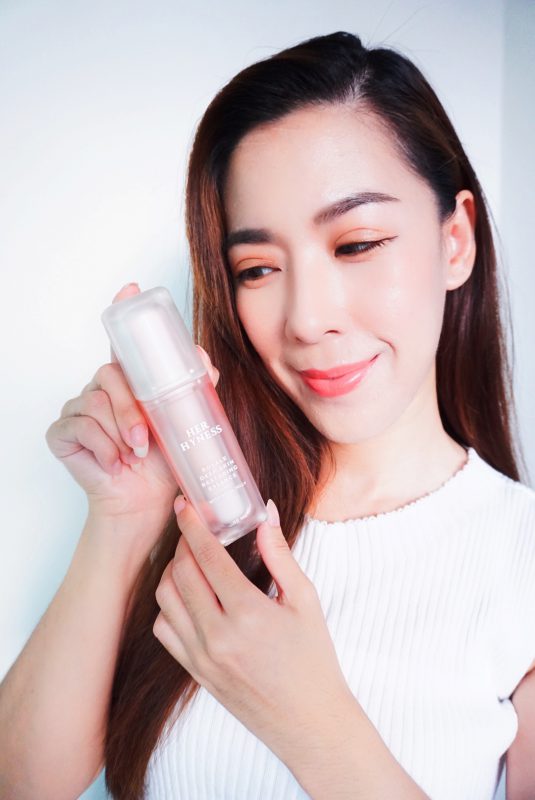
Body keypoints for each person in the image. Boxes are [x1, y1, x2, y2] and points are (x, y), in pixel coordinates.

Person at [1, 30, 534, 800]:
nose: (306, 319)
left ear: (455, 242)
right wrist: (120, 523)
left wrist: (312, 721)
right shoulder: (209, 521)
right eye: (257, 268)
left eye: (355, 244)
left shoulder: (518, 559)